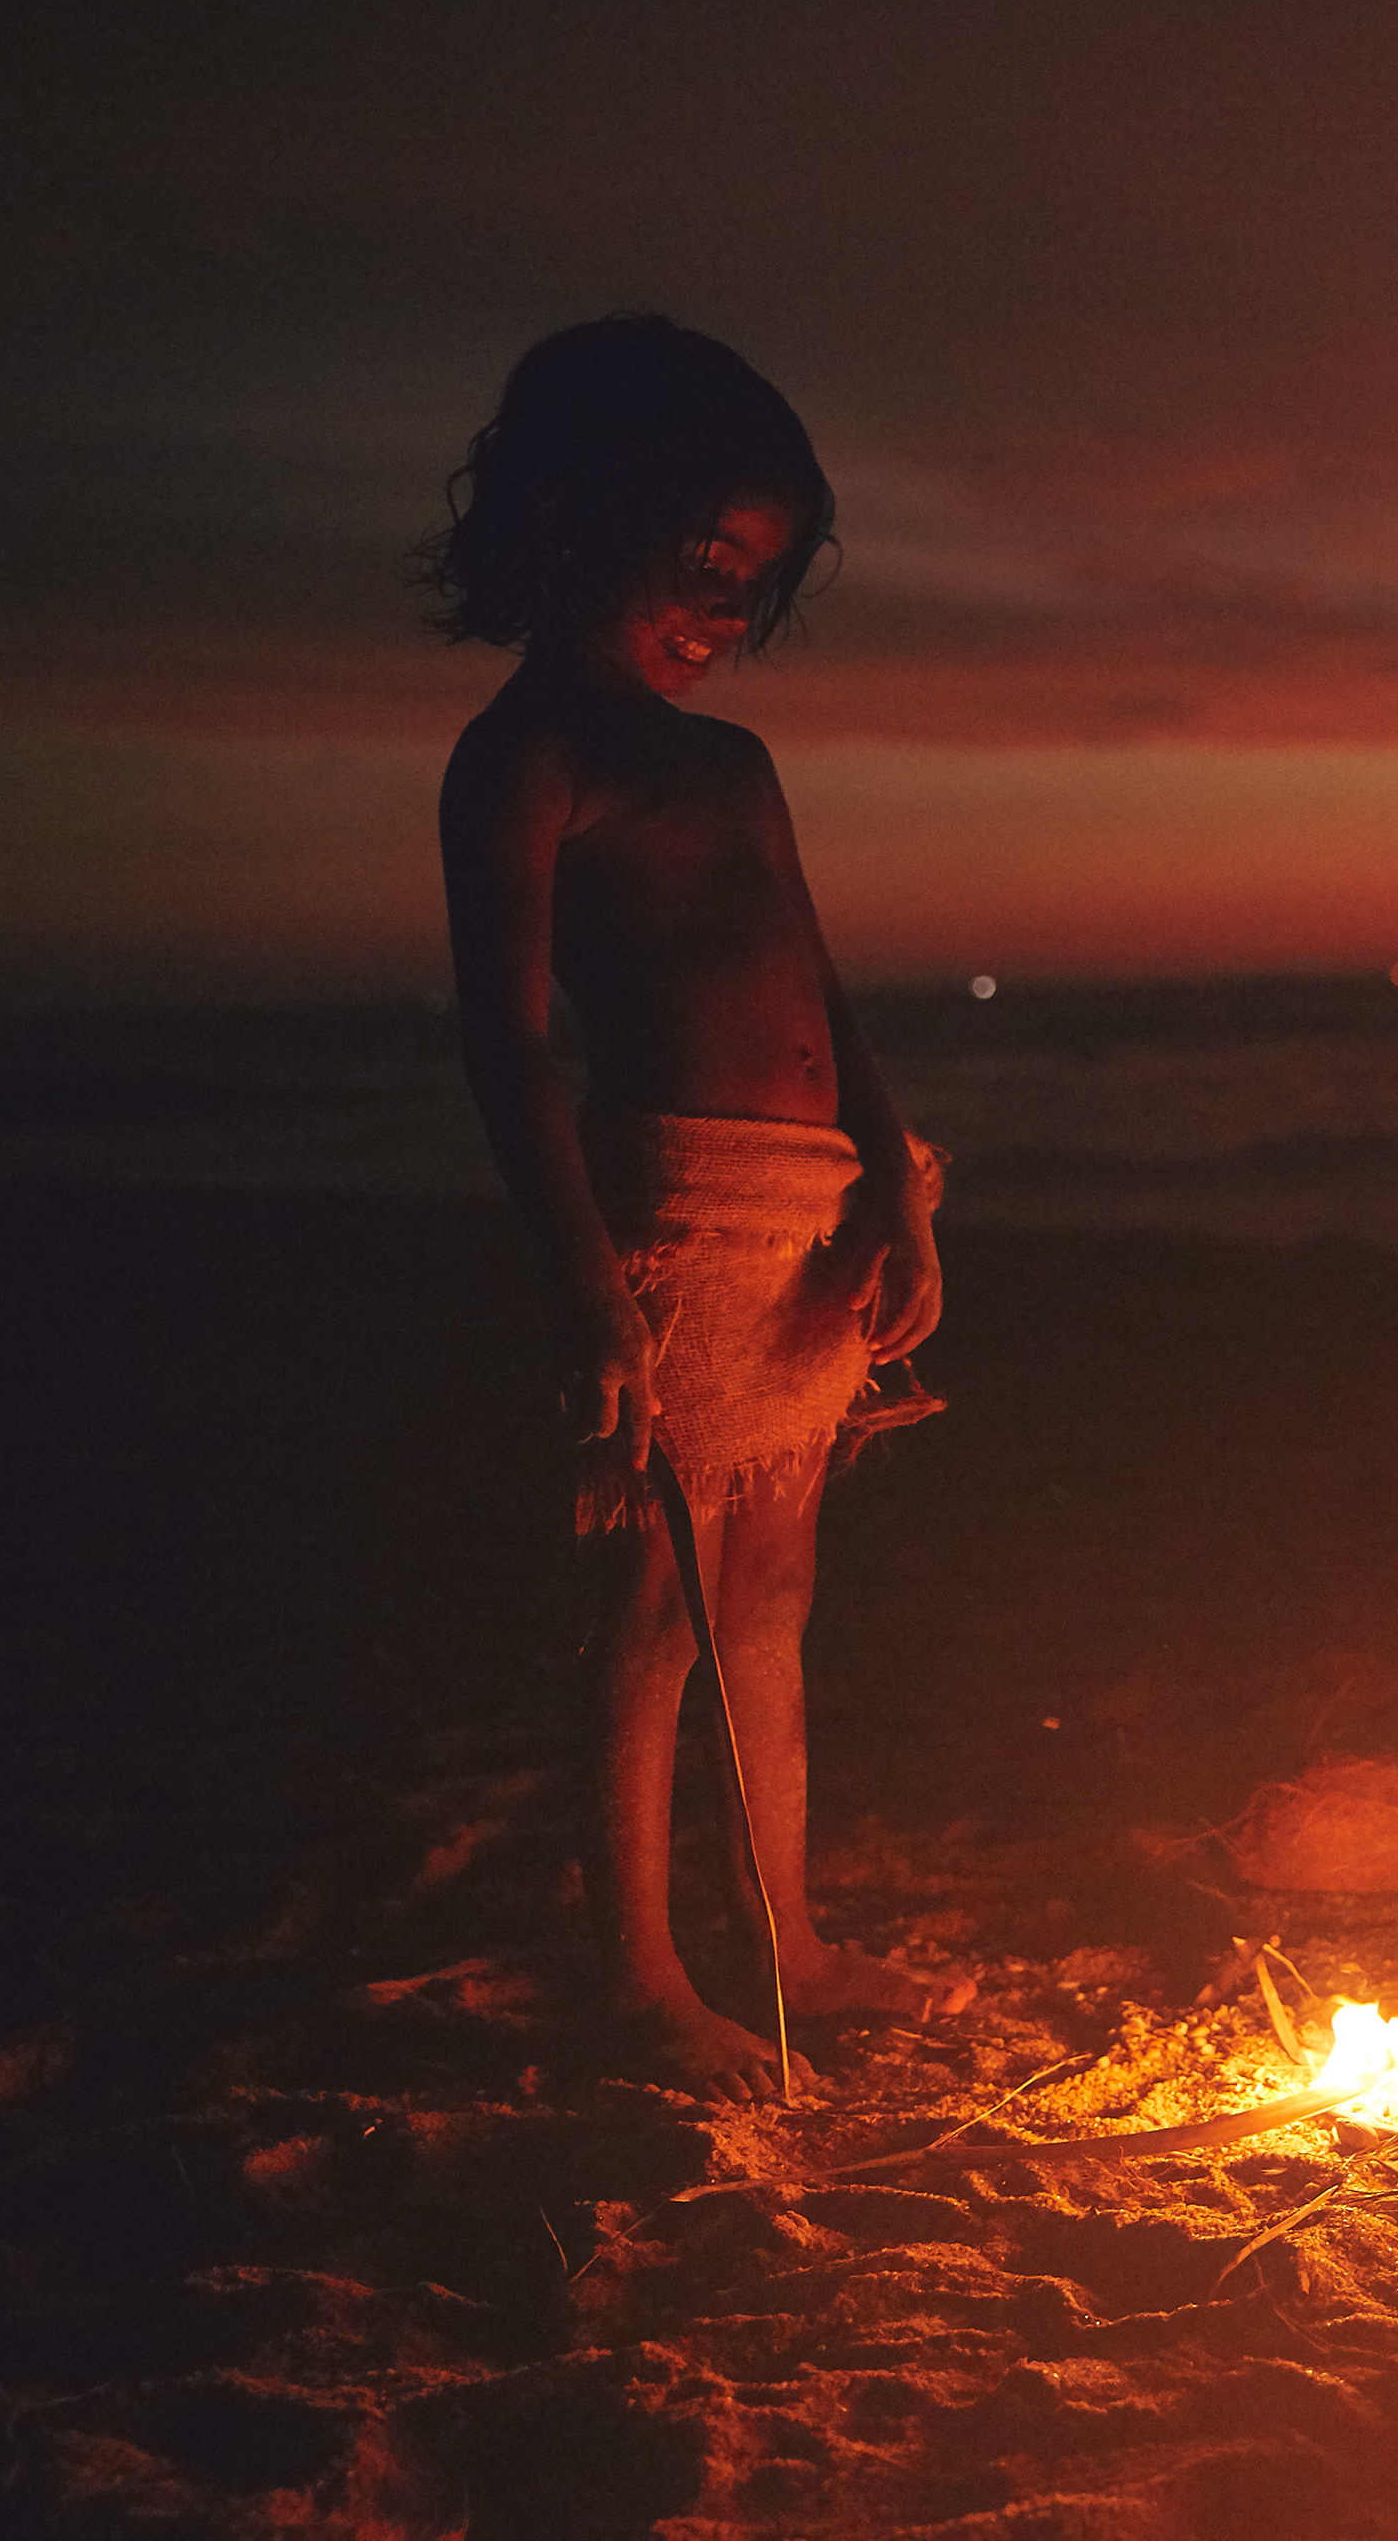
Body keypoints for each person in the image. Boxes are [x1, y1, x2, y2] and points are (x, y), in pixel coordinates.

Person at [423, 315, 970, 2099]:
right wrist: (588, 1283)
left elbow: (822, 988)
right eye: (704, 561)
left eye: (758, 581)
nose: (727, 612)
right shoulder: (529, 759)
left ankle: (785, 1934)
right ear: (583, 516)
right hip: (676, 1218)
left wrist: (895, 1183)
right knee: (660, 1594)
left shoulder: (733, 765)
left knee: (777, 1587)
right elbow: (508, 1044)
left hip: (814, 1217)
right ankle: (645, 1980)